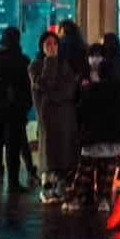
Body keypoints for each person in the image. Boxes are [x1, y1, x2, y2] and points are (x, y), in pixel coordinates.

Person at [73, 34, 120, 208]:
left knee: (91, 164)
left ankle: (86, 197)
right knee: (104, 164)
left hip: (101, 128)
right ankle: (100, 197)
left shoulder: (108, 70)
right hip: (111, 128)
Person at [30, 29, 82, 202]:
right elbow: (43, 84)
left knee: (65, 151)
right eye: (48, 44)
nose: (52, 47)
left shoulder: (65, 64)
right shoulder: (36, 65)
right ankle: (48, 187)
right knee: (50, 152)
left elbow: (69, 88)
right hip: (48, 116)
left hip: (65, 116)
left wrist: (54, 94)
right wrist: (50, 62)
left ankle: (61, 185)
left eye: (55, 44)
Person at [0, 26, 32, 193]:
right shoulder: (21, 59)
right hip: (14, 109)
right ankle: (13, 183)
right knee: (12, 147)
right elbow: (25, 86)